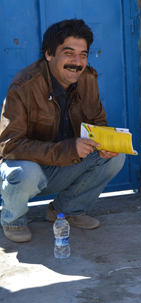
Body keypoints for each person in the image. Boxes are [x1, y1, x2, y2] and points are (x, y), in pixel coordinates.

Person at [0, 19, 125, 243]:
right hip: (29, 170)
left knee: (116, 157)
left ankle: (66, 211)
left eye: (83, 55)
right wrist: (69, 148)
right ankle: (13, 220)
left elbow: (98, 124)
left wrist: (106, 145)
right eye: (69, 53)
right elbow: (10, 145)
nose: (77, 62)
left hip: (64, 166)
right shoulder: (23, 86)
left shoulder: (88, 79)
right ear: (49, 54)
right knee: (24, 172)